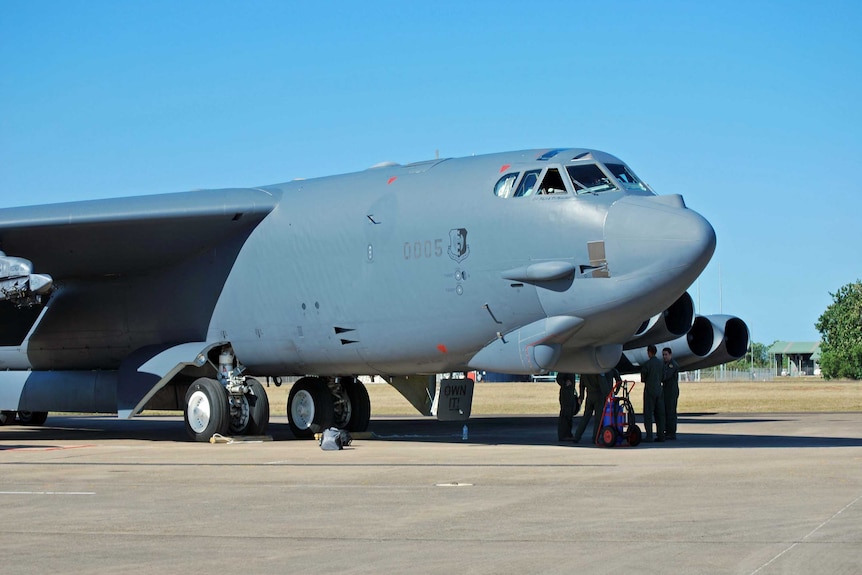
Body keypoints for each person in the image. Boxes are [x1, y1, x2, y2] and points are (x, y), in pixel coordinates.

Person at [573, 369, 620, 444]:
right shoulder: (600, 370)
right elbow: (604, 384)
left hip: (589, 396)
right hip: (599, 396)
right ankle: (595, 438)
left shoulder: (585, 371)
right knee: (598, 419)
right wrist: (610, 394)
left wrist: (581, 397)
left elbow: (581, 385)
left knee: (585, 417)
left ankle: (577, 436)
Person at [640, 344, 666, 442]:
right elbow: (663, 377)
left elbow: (643, 378)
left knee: (648, 414)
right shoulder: (661, 363)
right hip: (659, 390)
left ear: (649, 352)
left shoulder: (647, 364)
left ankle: (649, 436)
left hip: (649, 390)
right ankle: (661, 435)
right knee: (660, 414)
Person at [662, 347, 680, 440]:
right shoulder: (665, 364)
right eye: (663, 355)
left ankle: (671, 432)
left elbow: (666, 376)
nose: (664, 357)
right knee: (666, 411)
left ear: (670, 355)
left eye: (666, 354)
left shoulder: (672, 365)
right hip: (666, 391)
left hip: (671, 391)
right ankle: (667, 431)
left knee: (671, 412)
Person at [556, 372, 578, 441]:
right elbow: (559, 379)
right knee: (565, 415)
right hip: (565, 395)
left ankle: (568, 433)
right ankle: (563, 435)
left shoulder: (571, 369)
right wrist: (565, 382)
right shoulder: (565, 369)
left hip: (570, 394)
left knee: (569, 414)